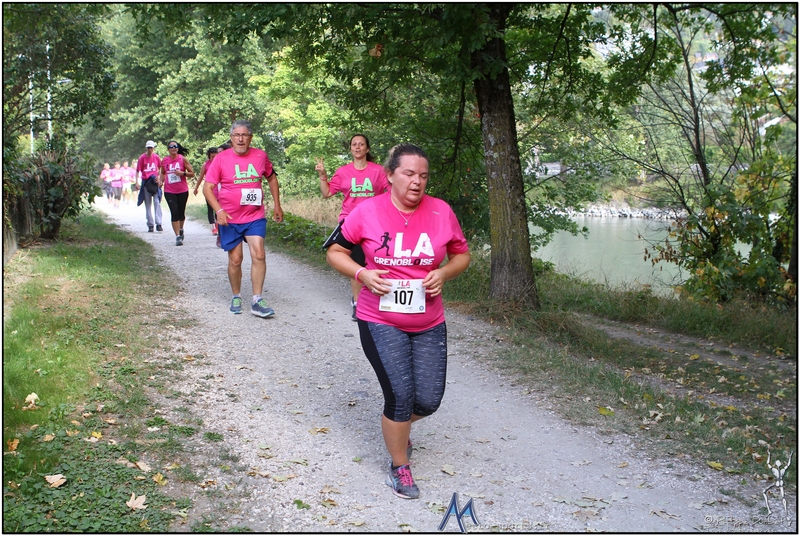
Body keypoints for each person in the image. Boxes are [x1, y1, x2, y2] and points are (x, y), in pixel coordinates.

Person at [325, 143, 471, 499]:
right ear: (390, 175)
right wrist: (362, 274)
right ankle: (399, 466)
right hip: (379, 318)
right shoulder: (366, 211)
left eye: (423, 176)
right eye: (409, 174)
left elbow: (461, 255)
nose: (417, 182)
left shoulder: (441, 211)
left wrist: (444, 273)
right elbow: (335, 251)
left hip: (429, 320)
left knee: (429, 401)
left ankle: (398, 427)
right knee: (401, 396)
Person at [203, 120, 284, 317]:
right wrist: (219, 211)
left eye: (244, 135)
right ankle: (236, 295)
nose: (240, 139)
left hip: (254, 216)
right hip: (229, 217)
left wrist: (277, 204)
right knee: (235, 259)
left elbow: (272, 177)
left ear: (250, 138)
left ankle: (257, 299)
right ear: (231, 138)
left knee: (259, 254)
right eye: (237, 135)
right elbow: (207, 188)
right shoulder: (221, 159)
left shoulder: (260, 156)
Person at [316, 134, 389, 320]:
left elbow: (391, 193)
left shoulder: (379, 171)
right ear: (350, 149)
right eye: (354, 144)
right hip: (351, 223)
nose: (357, 147)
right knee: (356, 263)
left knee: (376, 261)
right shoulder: (343, 172)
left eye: (361, 144)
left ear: (367, 149)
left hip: (375, 224)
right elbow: (327, 193)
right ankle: (358, 303)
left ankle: (378, 300)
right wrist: (323, 176)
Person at [159, 140, 195, 246]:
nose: (174, 148)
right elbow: (162, 173)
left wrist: (182, 173)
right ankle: (178, 236)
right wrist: (161, 181)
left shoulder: (182, 159)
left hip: (182, 190)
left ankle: (181, 228)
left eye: (175, 146)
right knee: (174, 212)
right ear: (168, 149)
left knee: (181, 213)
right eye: (171, 146)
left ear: (178, 148)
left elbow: (192, 173)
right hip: (169, 191)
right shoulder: (165, 160)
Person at [136, 140, 163, 232]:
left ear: (153, 148)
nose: (150, 149)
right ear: (146, 148)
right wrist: (137, 182)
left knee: (157, 201)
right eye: (148, 148)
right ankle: (150, 224)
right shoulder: (142, 158)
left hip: (154, 182)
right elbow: (138, 170)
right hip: (146, 182)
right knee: (147, 203)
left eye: (151, 148)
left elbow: (161, 168)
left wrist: (159, 179)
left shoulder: (156, 157)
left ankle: (159, 223)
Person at [193, 147, 220, 237]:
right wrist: (196, 188)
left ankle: (218, 225)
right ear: (209, 156)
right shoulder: (205, 165)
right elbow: (200, 177)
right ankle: (214, 227)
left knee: (218, 208)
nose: (214, 158)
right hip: (209, 190)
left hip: (219, 190)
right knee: (210, 209)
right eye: (212, 157)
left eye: (215, 156)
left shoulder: (220, 163)